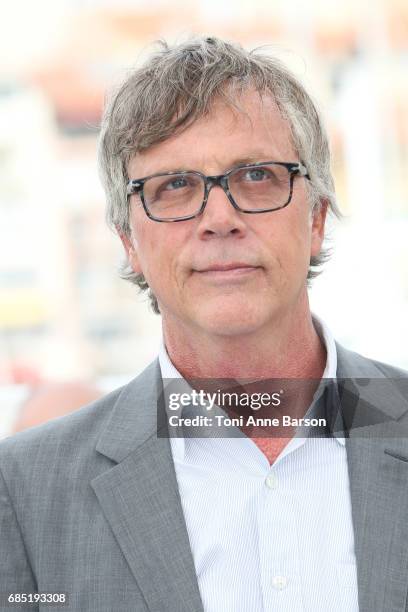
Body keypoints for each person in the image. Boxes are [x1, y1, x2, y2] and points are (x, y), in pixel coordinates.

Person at [1, 36, 407, 612]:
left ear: (315, 218)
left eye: (257, 176)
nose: (220, 218)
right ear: (129, 243)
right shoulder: (24, 492)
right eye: (174, 186)